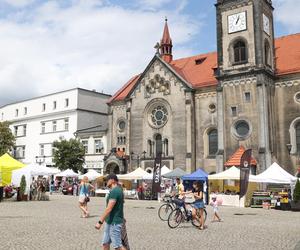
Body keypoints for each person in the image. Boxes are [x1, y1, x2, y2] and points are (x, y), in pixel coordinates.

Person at [95, 174, 126, 250]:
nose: (106, 182)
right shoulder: (118, 190)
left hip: (114, 223)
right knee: (105, 243)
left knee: (118, 246)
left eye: (107, 180)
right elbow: (119, 206)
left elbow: (109, 208)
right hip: (110, 221)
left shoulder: (115, 191)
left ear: (112, 180)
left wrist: (100, 222)